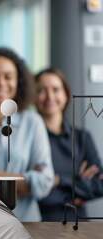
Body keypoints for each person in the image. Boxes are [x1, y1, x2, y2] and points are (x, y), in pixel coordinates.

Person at [0, 47, 54, 221]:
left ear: (18, 82)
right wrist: (25, 180)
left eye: (8, 76)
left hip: (28, 225)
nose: (1, 83)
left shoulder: (32, 122)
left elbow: (44, 181)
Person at [35, 68, 103, 221]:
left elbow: (100, 185)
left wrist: (58, 180)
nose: (50, 96)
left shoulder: (82, 138)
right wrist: (78, 185)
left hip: (79, 225)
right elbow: (34, 192)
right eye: (41, 90)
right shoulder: (29, 141)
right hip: (41, 224)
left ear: (65, 94)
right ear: (33, 97)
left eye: (56, 89)